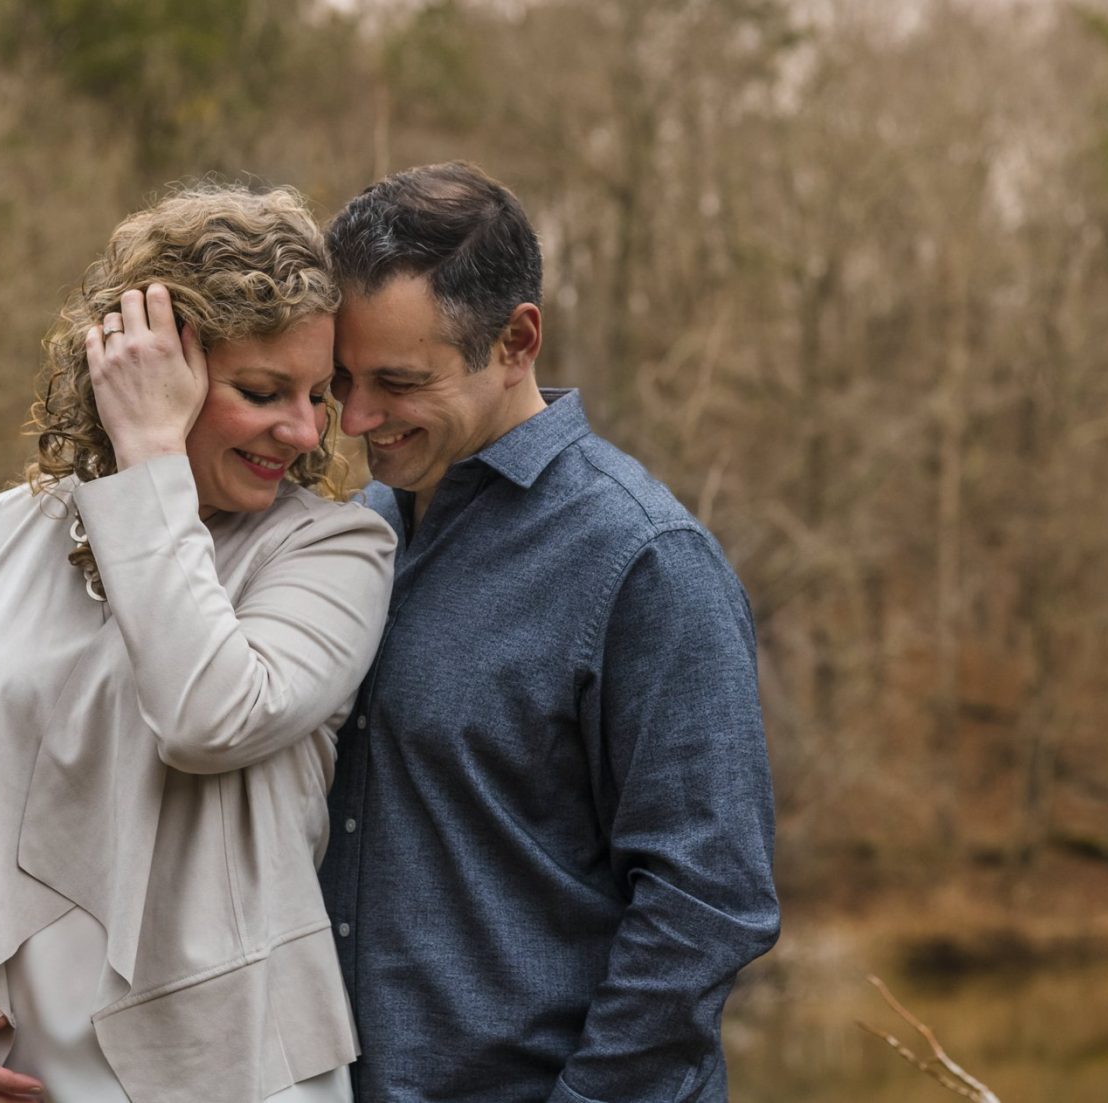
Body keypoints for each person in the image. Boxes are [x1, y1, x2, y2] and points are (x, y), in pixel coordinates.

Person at [0, 185, 395, 1103]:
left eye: (318, 394)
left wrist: (152, 452)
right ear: (137, 362)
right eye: (263, 392)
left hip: (224, 1079)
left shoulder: (331, 551)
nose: (307, 430)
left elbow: (207, 715)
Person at [318, 161, 779, 1103]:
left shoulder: (646, 563)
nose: (357, 419)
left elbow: (708, 902)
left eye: (399, 382)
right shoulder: (357, 532)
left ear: (516, 340)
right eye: (343, 380)